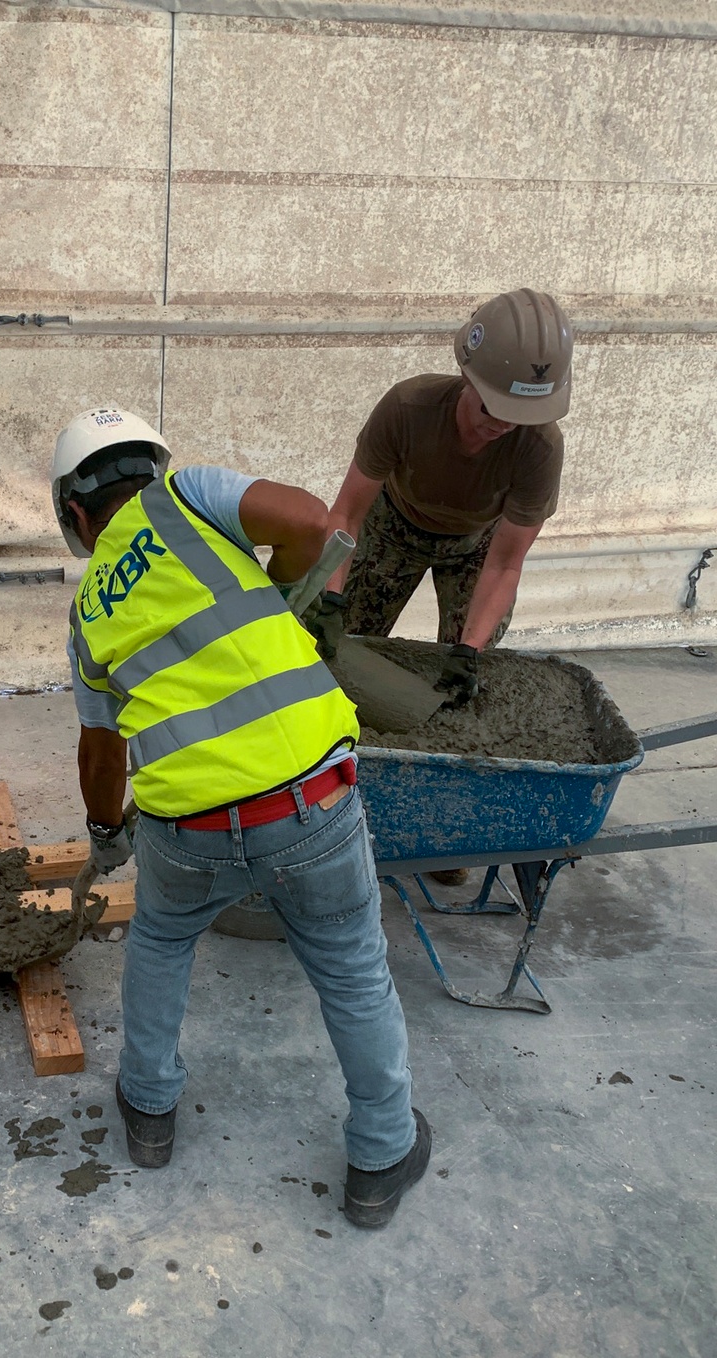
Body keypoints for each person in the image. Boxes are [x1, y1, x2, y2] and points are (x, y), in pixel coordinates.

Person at [52, 405, 430, 1229]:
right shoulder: (188, 497)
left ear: (75, 514)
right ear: (147, 468)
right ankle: (381, 1152)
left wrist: (108, 832)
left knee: (160, 938)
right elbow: (310, 521)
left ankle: (149, 1112)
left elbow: (102, 751)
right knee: (350, 968)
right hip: (311, 805)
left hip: (184, 831)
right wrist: (289, 594)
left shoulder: (86, 618)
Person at [310, 288, 573, 702]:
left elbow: (505, 564)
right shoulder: (408, 408)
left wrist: (468, 650)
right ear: (469, 378)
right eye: (493, 409)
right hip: (393, 527)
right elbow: (345, 516)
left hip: (476, 548)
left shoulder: (540, 448)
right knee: (341, 647)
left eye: (520, 417)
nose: (504, 426)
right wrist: (331, 597)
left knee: (459, 673)